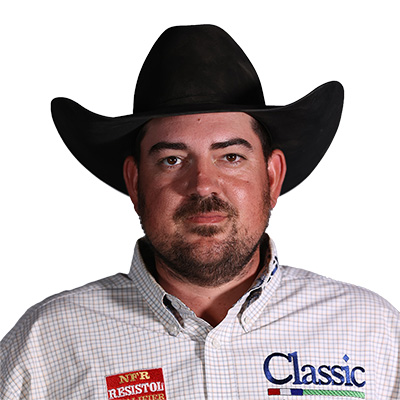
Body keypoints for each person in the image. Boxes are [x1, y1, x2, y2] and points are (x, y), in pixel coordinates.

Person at [1, 24, 398, 400]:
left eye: (231, 156)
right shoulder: (45, 343)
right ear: (135, 182)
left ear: (272, 176)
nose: (203, 184)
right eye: (172, 160)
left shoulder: (372, 331)